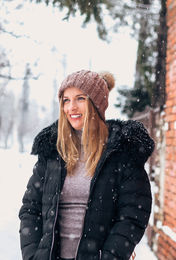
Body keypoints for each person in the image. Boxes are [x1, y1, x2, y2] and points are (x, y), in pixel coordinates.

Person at [19, 70, 154, 260]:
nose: (71, 107)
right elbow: (30, 208)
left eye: (80, 99)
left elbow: (133, 214)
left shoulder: (121, 151)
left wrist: (109, 256)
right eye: (66, 100)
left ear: (96, 104)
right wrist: (33, 255)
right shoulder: (53, 150)